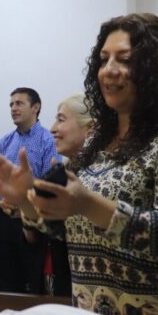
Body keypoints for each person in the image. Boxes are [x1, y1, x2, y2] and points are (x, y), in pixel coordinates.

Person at [0, 13, 158, 315]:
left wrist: (89, 203)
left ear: (155, 69)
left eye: (124, 59)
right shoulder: (94, 145)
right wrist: (24, 201)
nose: (109, 70)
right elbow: (61, 230)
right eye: (103, 59)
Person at [0, 87, 59, 293]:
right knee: (6, 284)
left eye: (19, 103)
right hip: (4, 219)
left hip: (32, 219)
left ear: (35, 107)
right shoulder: (5, 141)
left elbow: (49, 184)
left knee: (33, 284)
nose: (13, 108)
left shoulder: (48, 140)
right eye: (11, 104)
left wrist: (24, 203)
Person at [45, 93, 95, 294]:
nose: (52, 129)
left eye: (61, 119)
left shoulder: (102, 175)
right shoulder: (63, 172)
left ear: (89, 128)